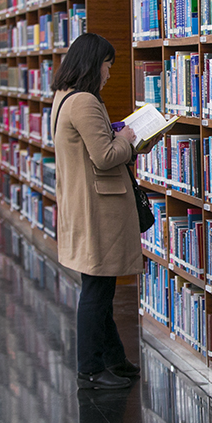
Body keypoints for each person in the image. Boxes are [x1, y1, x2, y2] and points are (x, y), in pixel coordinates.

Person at [51, 32, 143, 390]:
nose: (109, 73)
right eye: (108, 65)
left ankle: (114, 359)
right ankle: (90, 369)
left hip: (81, 204)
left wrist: (115, 133)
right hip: (98, 209)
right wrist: (129, 141)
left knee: (99, 286)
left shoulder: (63, 98)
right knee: (97, 291)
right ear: (93, 64)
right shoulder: (86, 101)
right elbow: (104, 157)